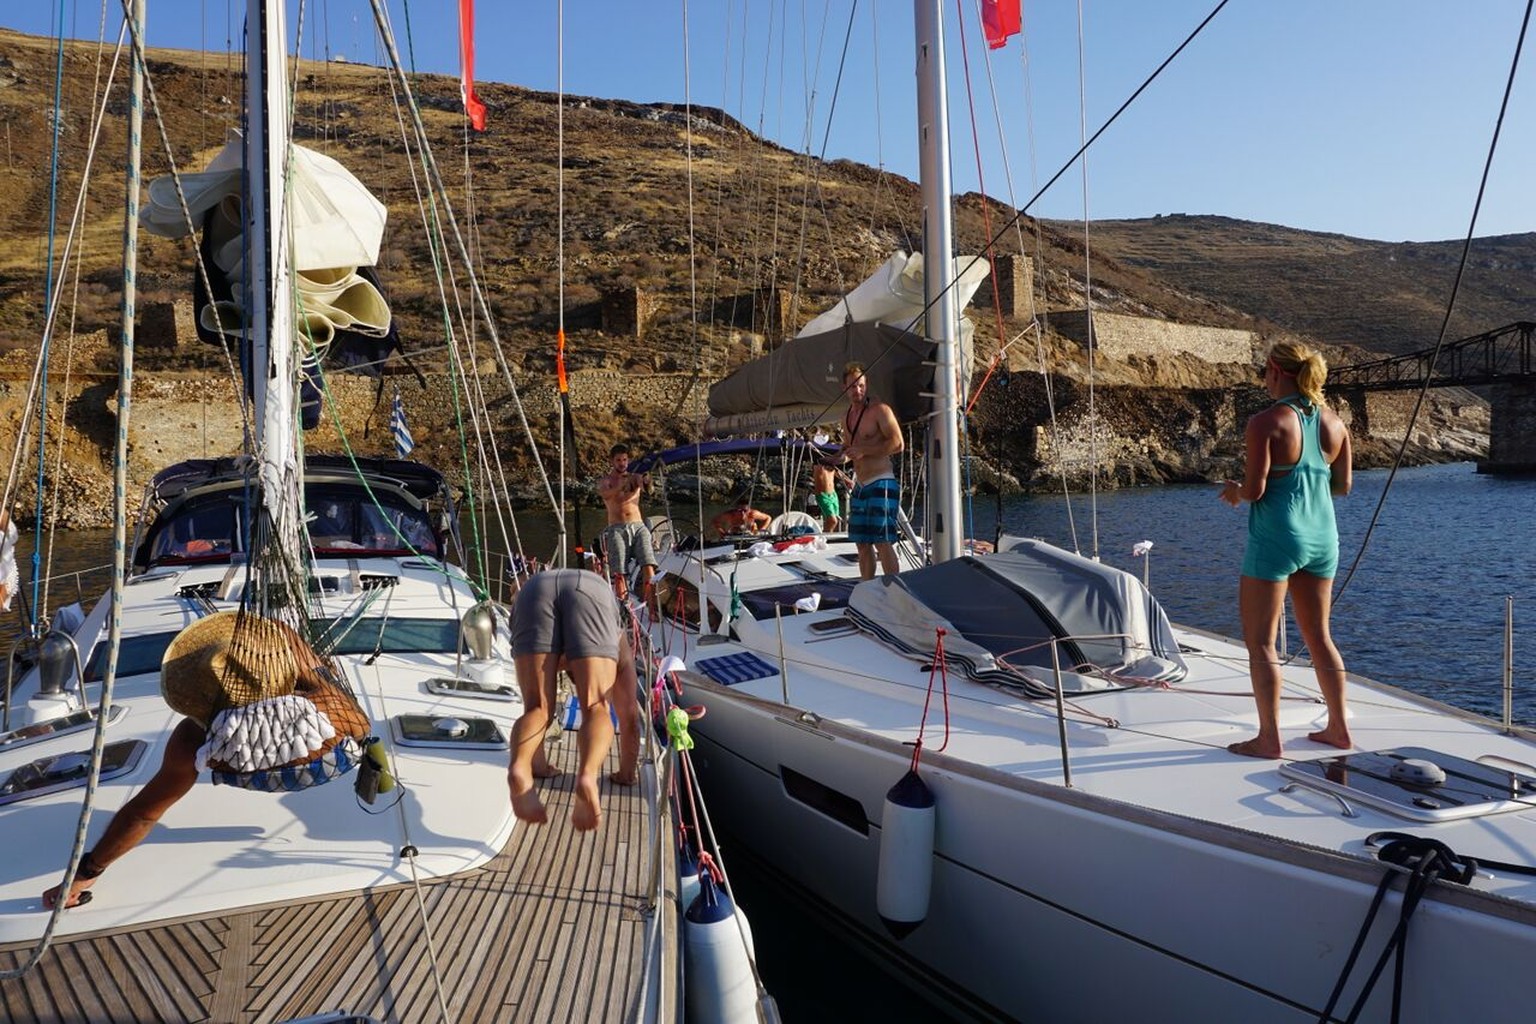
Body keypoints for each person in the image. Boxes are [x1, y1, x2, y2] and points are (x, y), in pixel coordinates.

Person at [43, 612, 344, 909]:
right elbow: (351, 716)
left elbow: (143, 814)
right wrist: (286, 639)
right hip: (325, 761)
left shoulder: (194, 740)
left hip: (252, 771)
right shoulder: (326, 703)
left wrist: (86, 873)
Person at [1219, 340, 1353, 759]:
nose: (1263, 377)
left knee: (1261, 642)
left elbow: (1257, 489)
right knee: (1319, 636)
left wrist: (1234, 492)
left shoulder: (1265, 422)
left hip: (1278, 537)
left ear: (1277, 371)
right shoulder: (1335, 423)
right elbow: (1343, 486)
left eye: (1264, 370)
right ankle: (1338, 729)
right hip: (1322, 538)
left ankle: (1268, 739)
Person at [506, 568, 624, 831]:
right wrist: (626, 773)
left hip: (533, 590)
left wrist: (540, 767)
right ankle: (587, 776)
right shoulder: (620, 640)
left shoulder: (530, 586)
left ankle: (522, 767)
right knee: (596, 705)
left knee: (538, 707)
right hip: (590, 590)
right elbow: (628, 715)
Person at [840, 362, 905, 579]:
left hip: (881, 481)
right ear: (844, 388)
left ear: (866, 386)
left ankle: (894, 591)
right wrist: (835, 457)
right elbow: (850, 449)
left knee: (882, 541)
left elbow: (898, 444)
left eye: (861, 386)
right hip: (860, 484)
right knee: (861, 543)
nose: (857, 390)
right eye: (852, 387)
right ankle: (868, 588)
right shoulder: (846, 417)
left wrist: (864, 451)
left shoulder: (880, 411)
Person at [596, 443, 656, 603]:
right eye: (618, 460)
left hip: (638, 526)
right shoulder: (606, 481)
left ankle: (651, 607)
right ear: (612, 461)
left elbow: (647, 488)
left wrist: (647, 480)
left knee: (648, 565)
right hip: (616, 528)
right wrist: (621, 486)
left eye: (624, 459)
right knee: (619, 572)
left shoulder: (634, 477)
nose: (622, 463)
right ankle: (624, 610)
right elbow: (606, 494)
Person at [811, 455, 850, 532]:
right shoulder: (818, 466)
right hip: (823, 496)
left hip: (833, 495)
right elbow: (821, 462)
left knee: (835, 520)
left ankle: (828, 536)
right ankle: (825, 538)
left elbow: (839, 473)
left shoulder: (832, 468)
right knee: (833, 521)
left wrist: (848, 481)